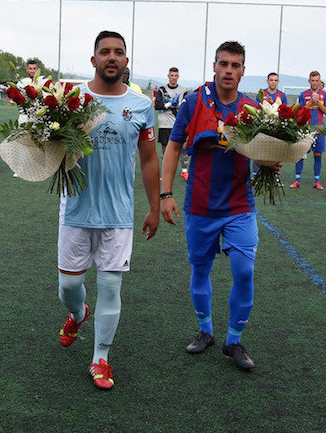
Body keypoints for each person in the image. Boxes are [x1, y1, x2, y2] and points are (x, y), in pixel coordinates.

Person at [161, 40, 278, 372]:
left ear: (243, 70)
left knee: (244, 271)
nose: (229, 70)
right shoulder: (194, 102)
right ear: (214, 66)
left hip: (240, 205)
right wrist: (165, 194)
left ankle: (234, 340)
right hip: (200, 205)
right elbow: (173, 147)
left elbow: (262, 151)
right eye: (223, 64)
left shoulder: (252, 109)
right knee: (201, 269)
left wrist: (272, 162)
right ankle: (206, 331)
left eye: (235, 65)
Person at [56, 31, 159, 390]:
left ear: (126, 61)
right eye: (105, 52)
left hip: (119, 213)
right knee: (69, 286)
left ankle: (100, 358)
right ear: (93, 59)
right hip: (76, 208)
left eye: (118, 52)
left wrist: (155, 206)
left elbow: (149, 160)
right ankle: (77, 313)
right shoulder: (72, 99)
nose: (111, 57)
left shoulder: (142, 105)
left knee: (111, 286)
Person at [290, 71, 326, 189]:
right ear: (309, 81)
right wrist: (311, 102)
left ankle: (317, 181)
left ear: (320, 81)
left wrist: (318, 102)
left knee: (317, 154)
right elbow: (300, 111)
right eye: (312, 80)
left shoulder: (324, 94)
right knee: (301, 154)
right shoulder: (304, 94)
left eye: (317, 80)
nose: (315, 83)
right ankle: (297, 180)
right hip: (305, 129)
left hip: (319, 128)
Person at [153, 67, 189, 180]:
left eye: (175, 75)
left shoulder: (183, 90)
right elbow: (157, 106)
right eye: (171, 75)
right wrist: (168, 104)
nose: (173, 78)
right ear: (168, 76)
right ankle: (165, 173)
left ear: (178, 77)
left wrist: (179, 105)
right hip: (164, 125)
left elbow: (187, 107)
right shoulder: (162, 90)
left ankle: (184, 171)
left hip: (178, 125)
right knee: (165, 151)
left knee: (183, 149)